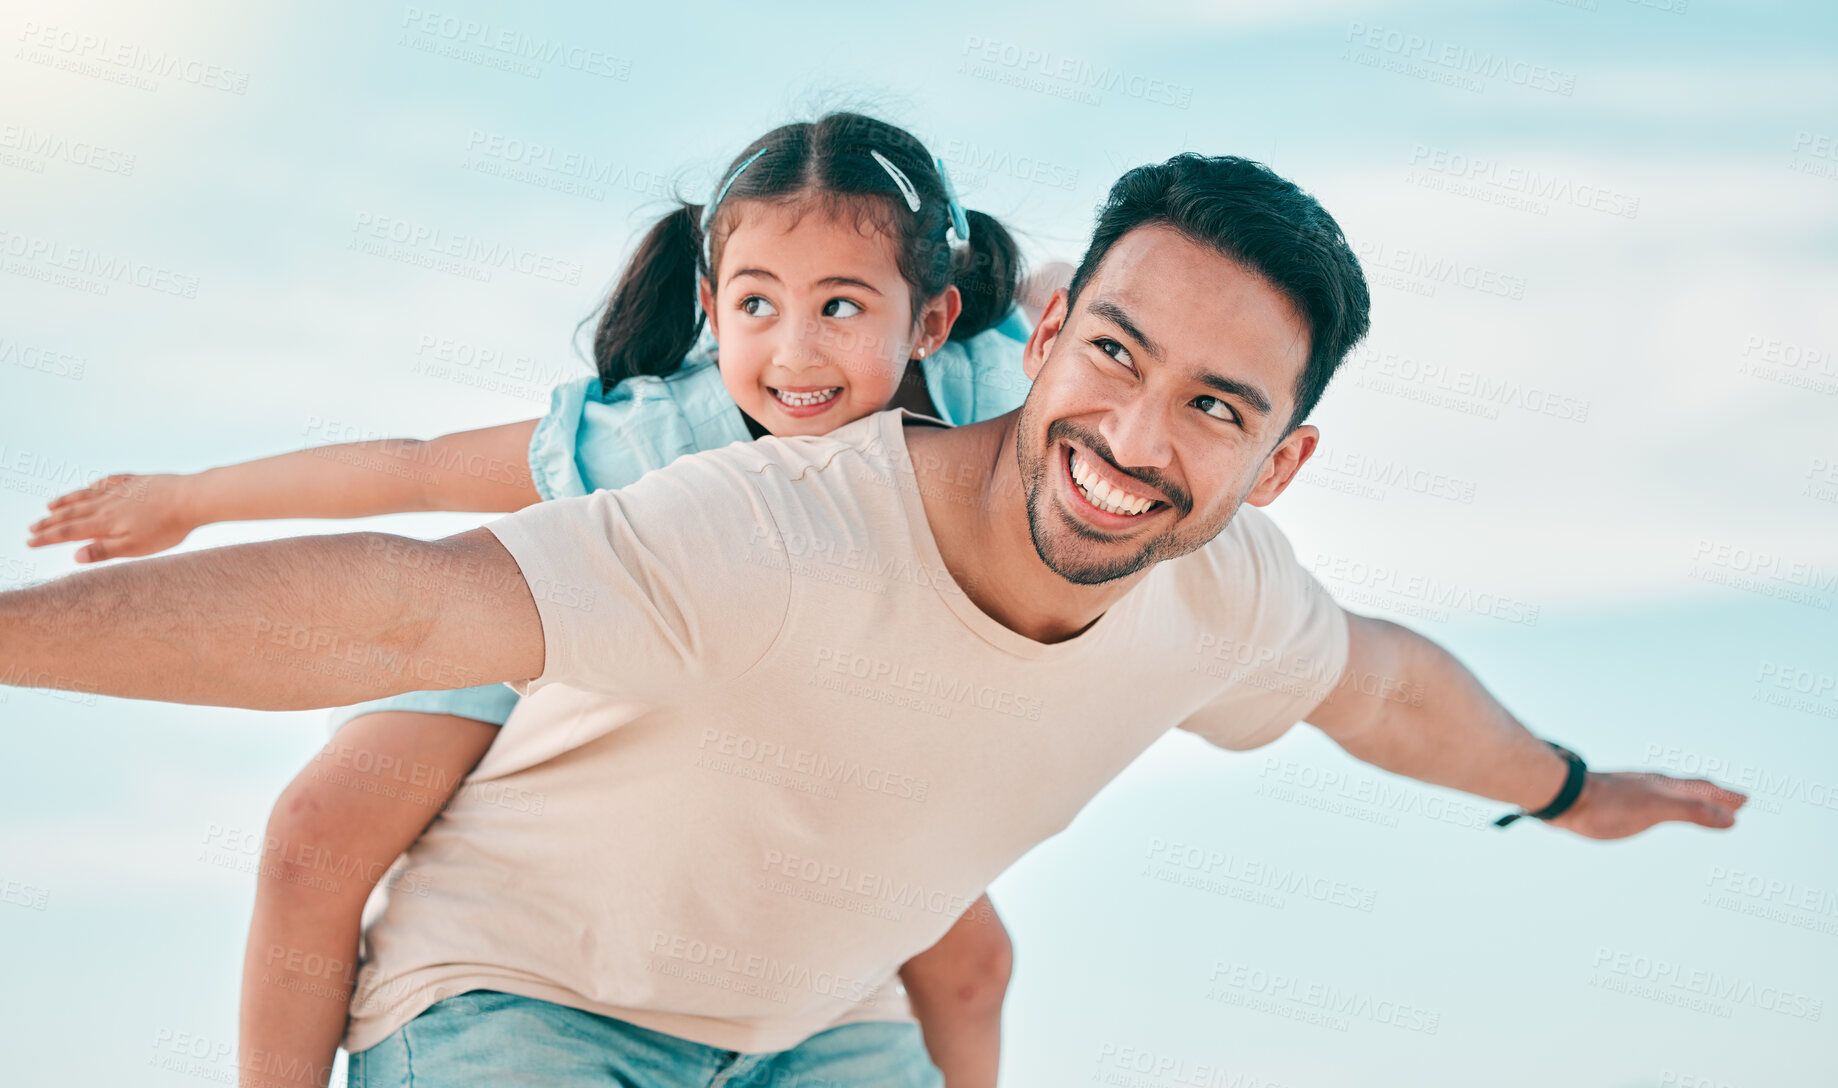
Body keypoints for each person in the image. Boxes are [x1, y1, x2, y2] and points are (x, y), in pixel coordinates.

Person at [0, 152, 1748, 1087]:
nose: (1134, 441)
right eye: (1118, 354)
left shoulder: (1224, 595)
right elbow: (403, 597)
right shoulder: (771, 515)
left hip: (817, 1027)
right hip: (515, 1001)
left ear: (1279, 463)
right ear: (1051, 323)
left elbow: (1377, 691)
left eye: (1213, 410)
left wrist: (1565, 777)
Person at [23, 112, 1048, 1088]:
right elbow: (419, 471)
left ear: (931, 319)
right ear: (709, 300)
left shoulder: (993, 398)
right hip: (541, 602)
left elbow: (1104, 300)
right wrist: (190, 498)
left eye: (839, 306)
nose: (792, 353)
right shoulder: (663, 434)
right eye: (755, 304)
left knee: (973, 952)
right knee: (317, 826)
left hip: (769, 716)